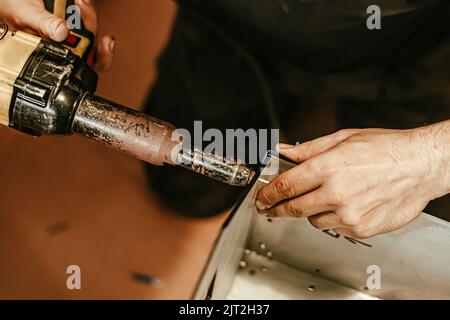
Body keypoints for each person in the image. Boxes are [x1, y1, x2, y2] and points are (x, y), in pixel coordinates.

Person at [3, 0, 449, 238]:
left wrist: (428, 159)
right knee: (186, 191)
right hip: (227, 22)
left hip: (414, 44)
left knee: (408, 233)